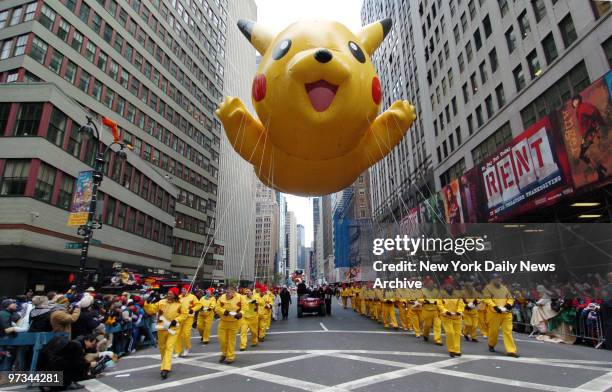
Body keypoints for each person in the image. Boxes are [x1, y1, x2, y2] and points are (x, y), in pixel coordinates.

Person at [144, 287, 188, 379]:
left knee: (169, 347)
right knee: (162, 347)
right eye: (168, 293)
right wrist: (147, 303)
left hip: (173, 329)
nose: (168, 295)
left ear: (175, 295)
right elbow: (151, 310)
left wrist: (176, 320)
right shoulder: (161, 302)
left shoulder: (180, 304)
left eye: (171, 293)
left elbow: (184, 314)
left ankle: (165, 369)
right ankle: (165, 364)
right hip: (161, 327)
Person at [483, 274, 519, 357]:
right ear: (492, 279)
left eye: (499, 278)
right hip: (494, 313)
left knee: (508, 331)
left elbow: (510, 298)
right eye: (496, 278)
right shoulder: (487, 288)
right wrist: (495, 307)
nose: (498, 279)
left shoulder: (504, 288)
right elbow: (487, 299)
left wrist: (508, 305)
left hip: (506, 313)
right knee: (493, 332)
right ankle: (491, 344)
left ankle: (511, 351)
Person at [572, 94, 607, 181]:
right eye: (573, 101)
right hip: (587, 135)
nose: (574, 102)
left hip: (590, 133)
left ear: (579, 100)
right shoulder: (579, 110)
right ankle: (600, 169)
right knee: (584, 155)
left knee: (586, 154)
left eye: (576, 100)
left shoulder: (583, 107)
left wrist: (597, 125)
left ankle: (600, 170)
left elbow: (594, 111)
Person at [215, 287, 243, 364]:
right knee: (222, 339)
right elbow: (217, 308)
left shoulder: (240, 298)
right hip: (223, 321)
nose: (227, 294)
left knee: (231, 340)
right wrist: (224, 311)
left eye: (229, 292)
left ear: (233, 292)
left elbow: (245, 307)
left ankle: (230, 356)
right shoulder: (221, 298)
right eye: (226, 292)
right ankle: (224, 353)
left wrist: (240, 313)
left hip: (234, 322)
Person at [438, 278, 464, 358]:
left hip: (457, 317)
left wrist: (459, 311)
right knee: (450, 333)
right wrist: (445, 311)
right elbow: (439, 304)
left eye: (450, 284)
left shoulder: (458, 294)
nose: (449, 286)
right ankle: (451, 349)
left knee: (457, 333)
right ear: (445, 285)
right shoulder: (441, 294)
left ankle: (457, 350)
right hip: (447, 317)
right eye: (447, 284)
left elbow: (461, 303)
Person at [175, 285, 198, 357]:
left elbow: (198, 305)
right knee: (177, 334)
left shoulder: (192, 297)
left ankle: (186, 348)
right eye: (182, 289)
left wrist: (193, 309)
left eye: (184, 289)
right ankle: (177, 351)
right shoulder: (179, 297)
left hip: (189, 317)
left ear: (188, 290)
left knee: (186, 334)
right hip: (180, 317)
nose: (182, 291)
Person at [420, 277, 442, 346]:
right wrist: (425, 301)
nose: (432, 284)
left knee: (437, 325)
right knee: (427, 325)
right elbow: (419, 299)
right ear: (427, 284)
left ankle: (437, 339)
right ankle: (425, 335)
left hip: (435, 311)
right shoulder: (422, 291)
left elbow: (439, 299)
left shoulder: (436, 291)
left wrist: (437, 302)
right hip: (427, 311)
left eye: (432, 283)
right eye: (430, 283)